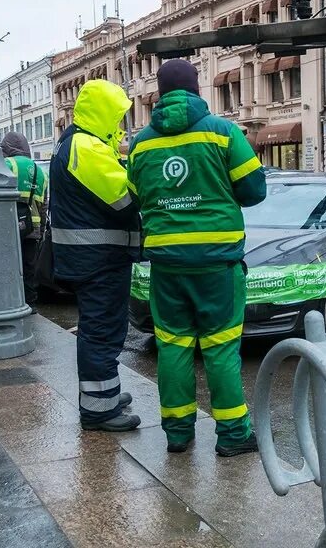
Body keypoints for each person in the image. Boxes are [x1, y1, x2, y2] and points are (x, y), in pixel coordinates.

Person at [127, 59, 266, 456]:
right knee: (220, 347)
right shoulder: (223, 133)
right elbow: (255, 190)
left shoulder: (141, 143)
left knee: (172, 346)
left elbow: (137, 196)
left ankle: (177, 434)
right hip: (216, 265)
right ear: (196, 90)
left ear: (159, 93)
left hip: (167, 265)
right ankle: (233, 436)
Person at [49, 79, 141, 432]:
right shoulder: (86, 147)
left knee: (100, 329)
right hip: (98, 259)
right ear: (101, 113)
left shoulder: (75, 144)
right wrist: (142, 169)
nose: (119, 127)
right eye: (116, 117)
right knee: (102, 333)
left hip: (90, 258)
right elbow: (124, 198)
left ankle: (106, 394)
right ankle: (99, 411)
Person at [0, 131, 48, 309]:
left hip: (9, 227)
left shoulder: (6, 164)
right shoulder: (40, 171)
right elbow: (43, 206)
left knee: (9, 266)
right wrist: (41, 231)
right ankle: (30, 303)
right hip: (32, 228)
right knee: (29, 267)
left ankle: (11, 303)